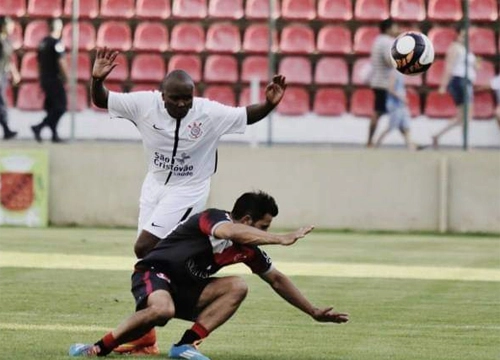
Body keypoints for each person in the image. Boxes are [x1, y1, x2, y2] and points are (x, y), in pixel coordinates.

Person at [90, 47, 287, 354]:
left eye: (187, 98)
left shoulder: (208, 113)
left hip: (189, 189)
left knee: (144, 247)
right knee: (149, 259)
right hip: (153, 185)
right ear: (162, 96)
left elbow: (245, 115)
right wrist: (96, 80)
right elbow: (102, 99)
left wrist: (269, 105)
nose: (182, 104)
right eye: (175, 98)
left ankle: (168, 307)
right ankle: (147, 332)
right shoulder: (144, 104)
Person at [68, 191, 349, 359]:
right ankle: (95, 348)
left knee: (238, 285)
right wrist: (280, 238)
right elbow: (228, 231)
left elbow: (276, 279)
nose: (263, 232)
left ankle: (185, 345)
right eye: (262, 226)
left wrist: (312, 311)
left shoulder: (248, 250)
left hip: (188, 289)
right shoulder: (215, 218)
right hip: (155, 274)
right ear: (248, 221)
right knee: (162, 310)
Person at [432, 24, 477, 149]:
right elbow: (449, 67)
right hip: (460, 81)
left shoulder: (466, 49)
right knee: (467, 115)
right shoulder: (455, 48)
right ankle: (466, 143)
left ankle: (437, 135)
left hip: (466, 81)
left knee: (461, 117)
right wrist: (443, 85)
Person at [31, 18, 68, 143]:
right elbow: (61, 61)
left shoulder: (43, 42)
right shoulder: (57, 43)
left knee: (52, 107)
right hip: (54, 79)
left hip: (44, 78)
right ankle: (39, 126)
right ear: (59, 28)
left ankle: (54, 134)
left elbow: (39, 62)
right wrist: (67, 77)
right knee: (60, 107)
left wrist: (40, 78)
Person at [367, 18, 400, 147]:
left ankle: (409, 140)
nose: (397, 30)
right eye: (395, 27)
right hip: (383, 82)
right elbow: (389, 60)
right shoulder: (387, 42)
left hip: (378, 80)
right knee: (379, 111)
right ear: (388, 29)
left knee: (386, 110)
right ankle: (370, 141)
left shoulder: (378, 40)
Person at [375, 68, 416, 150]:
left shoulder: (400, 73)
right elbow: (390, 89)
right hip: (395, 105)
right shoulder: (393, 73)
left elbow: (399, 87)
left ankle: (411, 147)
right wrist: (401, 97)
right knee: (391, 127)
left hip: (401, 105)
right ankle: (376, 145)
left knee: (406, 126)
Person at [0, 16, 20, 140]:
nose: (12, 27)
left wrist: (14, 72)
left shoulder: (7, 40)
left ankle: (6, 129)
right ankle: (6, 129)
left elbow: (9, 59)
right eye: (10, 25)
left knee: (2, 102)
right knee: (2, 103)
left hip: (3, 74)